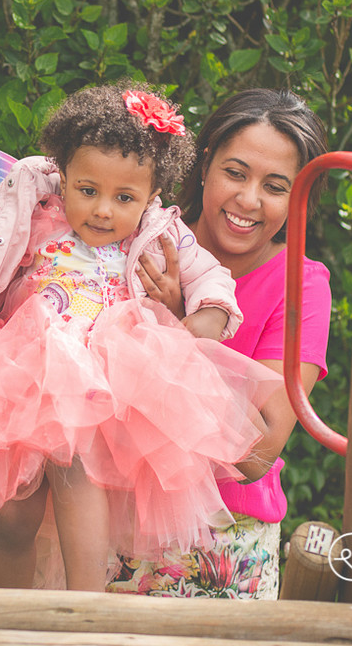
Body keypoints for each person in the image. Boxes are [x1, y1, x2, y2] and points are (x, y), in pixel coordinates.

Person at [0, 83, 283, 592]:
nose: (103, 210)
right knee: (11, 508)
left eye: (123, 197)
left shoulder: (159, 229)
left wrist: (208, 316)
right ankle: (9, 613)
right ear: (64, 173)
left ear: (151, 196)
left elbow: (210, 276)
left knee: (79, 480)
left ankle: (87, 607)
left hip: (106, 379)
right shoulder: (28, 201)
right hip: (17, 370)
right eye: (88, 190)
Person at [106, 87, 331, 599]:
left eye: (275, 186)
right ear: (205, 165)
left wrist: (184, 326)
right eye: (235, 173)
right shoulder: (133, 235)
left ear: (298, 198)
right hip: (92, 523)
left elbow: (256, 452)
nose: (249, 200)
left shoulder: (301, 284)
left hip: (219, 545)